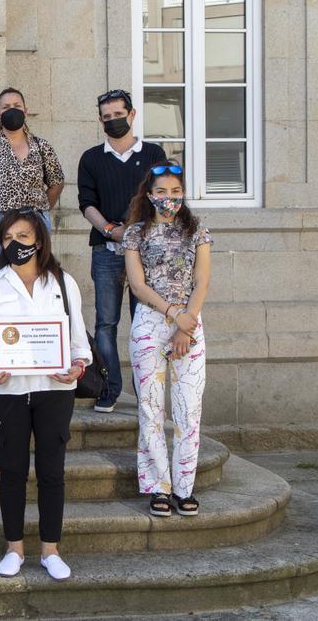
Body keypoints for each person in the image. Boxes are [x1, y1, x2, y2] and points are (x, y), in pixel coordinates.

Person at [0, 209, 90, 582]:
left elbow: (80, 344)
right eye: (7, 238)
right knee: (12, 469)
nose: (15, 244)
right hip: (8, 391)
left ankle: (50, 550)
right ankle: (14, 548)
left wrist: (77, 368)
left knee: (52, 470)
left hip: (55, 389)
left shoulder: (63, 283)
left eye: (23, 236)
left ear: (39, 240)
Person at [123, 162, 212, 519]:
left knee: (189, 408)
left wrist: (184, 326)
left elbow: (202, 281)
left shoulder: (197, 231)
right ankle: (159, 486)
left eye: (175, 191)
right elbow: (138, 285)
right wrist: (174, 314)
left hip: (190, 323)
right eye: (162, 191)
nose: (169, 198)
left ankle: (184, 487)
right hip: (149, 320)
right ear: (149, 194)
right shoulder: (135, 234)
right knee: (150, 406)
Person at [77, 89, 167, 413]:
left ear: (132, 114)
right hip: (105, 250)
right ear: (100, 120)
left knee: (145, 322)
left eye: (119, 114)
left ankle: (146, 392)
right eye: (107, 117)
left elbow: (164, 198)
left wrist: (140, 232)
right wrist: (112, 231)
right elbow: (86, 204)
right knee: (106, 323)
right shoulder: (91, 158)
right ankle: (108, 388)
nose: (113, 121)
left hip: (146, 252)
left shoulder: (155, 154)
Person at [0, 87, 65, 268]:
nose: (12, 110)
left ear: (25, 111)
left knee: (35, 272)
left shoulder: (43, 147)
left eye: (17, 106)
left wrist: (40, 209)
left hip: (35, 223)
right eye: (6, 107)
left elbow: (56, 183)